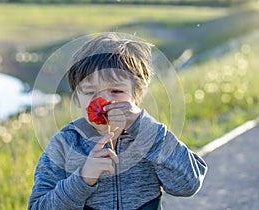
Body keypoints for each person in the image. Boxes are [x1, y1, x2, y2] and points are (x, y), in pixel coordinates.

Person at [28, 32, 207, 210]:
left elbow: (189, 184)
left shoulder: (150, 137)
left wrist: (146, 130)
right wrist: (82, 179)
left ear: (136, 96)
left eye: (116, 91)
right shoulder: (65, 144)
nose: (105, 102)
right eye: (91, 93)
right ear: (76, 99)